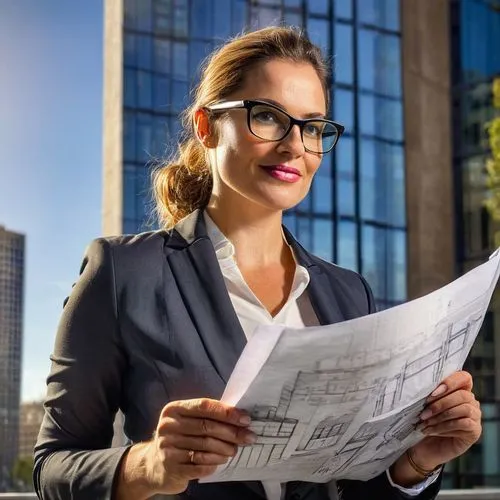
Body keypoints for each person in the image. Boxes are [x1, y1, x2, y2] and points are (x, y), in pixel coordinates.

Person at [34, 26, 481, 500]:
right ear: (206, 127)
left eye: (311, 127)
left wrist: (415, 462)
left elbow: (354, 488)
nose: (294, 146)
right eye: (267, 117)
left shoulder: (349, 292)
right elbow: (52, 469)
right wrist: (148, 465)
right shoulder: (123, 272)